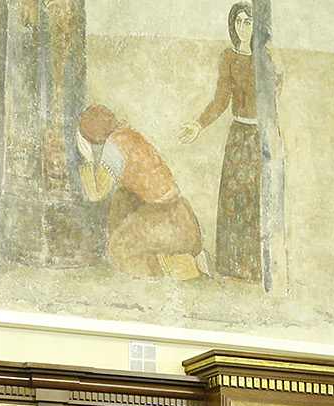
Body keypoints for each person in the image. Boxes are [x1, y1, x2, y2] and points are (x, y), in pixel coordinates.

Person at [178, 1, 280, 284]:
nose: (243, 27)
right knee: (234, 202)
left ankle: (256, 269)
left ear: (256, 26)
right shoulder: (228, 57)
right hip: (238, 137)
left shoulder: (263, 57)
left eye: (248, 21)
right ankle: (232, 267)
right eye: (239, 21)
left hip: (260, 137)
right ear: (232, 25)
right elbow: (221, 99)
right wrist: (198, 125)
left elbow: (273, 96)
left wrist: (278, 67)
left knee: (256, 201)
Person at [76, 105, 206, 279]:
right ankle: (188, 258)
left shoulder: (115, 144)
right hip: (182, 219)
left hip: (166, 221)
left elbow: (95, 194)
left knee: (118, 250)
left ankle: (183, 265)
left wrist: (86, 159)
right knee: (122, 195)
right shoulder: (127, 133)